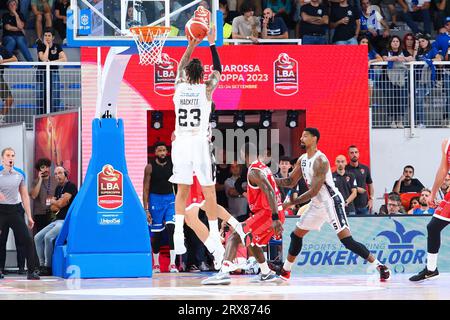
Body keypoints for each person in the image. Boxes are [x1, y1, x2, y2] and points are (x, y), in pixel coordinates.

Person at [274, 128, 390, 281]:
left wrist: (290, 203)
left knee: (347, 241)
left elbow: (313, 191)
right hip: (316, 204)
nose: (301, 138)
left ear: (314, 139)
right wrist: (269, 178)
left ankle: (380, 265)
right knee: (296, 235)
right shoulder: (302, 159)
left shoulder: (321, 160)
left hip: (331, 202)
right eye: (301, 136)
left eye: (305, 136)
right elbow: (290, 181)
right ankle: (286, 271)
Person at [170, 27, 227, 269]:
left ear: (185, 74)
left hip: (180, 141)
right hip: (199, 141)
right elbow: (218, 70)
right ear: (201, 75)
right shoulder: (206, 89)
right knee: (209, 191)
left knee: (182, 190)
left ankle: (178, 234)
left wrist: (192, 45)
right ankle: (213, 232)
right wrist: (211, 44)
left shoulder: (179, 88)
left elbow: (180, 66)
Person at [202, 143, 285, 285]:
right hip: (271, 212)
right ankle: (266, 273)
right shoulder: (264, 168)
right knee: (251, 241)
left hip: (268, 214)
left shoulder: (254, 171)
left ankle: (223, 272)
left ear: (242, 154)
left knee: (235, 235)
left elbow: (270, 190)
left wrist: (275, 217)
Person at [410, 138, 450, 281]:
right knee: (433, 227)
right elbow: (443, 170)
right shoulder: (446, 143)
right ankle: (431, 269)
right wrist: (433, 193)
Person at [0, 147, 40, 280]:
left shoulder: (20, 174)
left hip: (15, 210)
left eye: (12, 155)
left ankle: (31, 271)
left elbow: (24, 195)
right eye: (8, 155)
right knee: (1, 241)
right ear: (2, 158)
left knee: (28, 239)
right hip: (1, 211)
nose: (10, 158)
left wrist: (29, 216)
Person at [34, 166, 77, 276]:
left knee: (48, 237)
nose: (57, 176)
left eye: (60, 173)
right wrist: (57, 202)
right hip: (57, 220)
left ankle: (48, 267)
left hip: (65, 221)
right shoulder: (58, 188)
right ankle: (42, 265)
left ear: (65, 174)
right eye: (56, 174)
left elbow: (61, 204)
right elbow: (53, 208)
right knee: (37, 237)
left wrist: (55, 201)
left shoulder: (71, 186)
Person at [143, 142, 178, 273]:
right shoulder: (149, 167)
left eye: (164, 150)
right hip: (155, 200)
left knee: (172, 229)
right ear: (155, 152)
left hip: (170, 200)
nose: (162, 153)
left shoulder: (173, 165)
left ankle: (173, 264)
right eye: (159, 150)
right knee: (156, 234)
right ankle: (156, 264)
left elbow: (179, 185)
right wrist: (146, 209)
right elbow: (145, 188)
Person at [381, 36, 413, 128]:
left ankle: (400, 121)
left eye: (397, 41)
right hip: (388, 79)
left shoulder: (404, 51)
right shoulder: (385, 50)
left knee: (401, 99)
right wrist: (397, 58)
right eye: (393, 41)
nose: (395, 43)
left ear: (399, 43)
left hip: (401, 79)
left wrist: (401, 58)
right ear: (390, 43)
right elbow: (385, 58)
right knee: (391, 99)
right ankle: (392, 121)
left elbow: (411, 58)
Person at [36, 27, 67, 113]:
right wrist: (46, 47)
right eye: (45, 35)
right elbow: (44, 59)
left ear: (53, 37)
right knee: (40, 96)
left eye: (49, 36)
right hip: (41, 73)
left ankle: (54, 117)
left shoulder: (57, 46)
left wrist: (51, 62)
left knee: (55, 96)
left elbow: (64, 59)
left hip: (53, 73)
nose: (47, 37)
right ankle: (40, 118)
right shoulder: (40, 46)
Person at [414, 33, 441, 128]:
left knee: (420, 100)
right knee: (418, 101)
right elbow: (413, 59)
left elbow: (439, 58)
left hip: (428, 79)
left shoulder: (432, 49)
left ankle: (421, 122)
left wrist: (429, 60)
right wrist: (416, 48)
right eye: (420, 41)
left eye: (423, 41)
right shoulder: (418, 51)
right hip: (417, 79)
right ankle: (419, 122)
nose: (421, 43)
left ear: (428, 41)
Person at [30, 158, 57, 234]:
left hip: (53, 212)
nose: (46, 169)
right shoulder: (35, 182)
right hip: (40, 214)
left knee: (52, 236)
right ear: (39, 170)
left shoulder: (55, 180)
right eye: (43, 167)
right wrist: (40, 180)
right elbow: (34, 196)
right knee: (41, 236)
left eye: (47, 167)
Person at [345, 145, 374, 215]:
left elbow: (370, 184)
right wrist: (356, 189)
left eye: (356, 152)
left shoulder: (365, 168)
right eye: (351, 153)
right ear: (348, 155)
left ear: (358, 154)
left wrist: (371, 199)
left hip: (364, 205)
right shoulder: (345, 170)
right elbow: (343, 185)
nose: (354, 154)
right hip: (350, 206)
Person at [0, 44, 17, 124]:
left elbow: (15, 59)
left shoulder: (2, 49)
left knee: (9, 99)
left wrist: (3, 61)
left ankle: (1, 117)